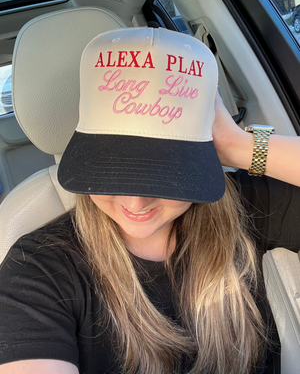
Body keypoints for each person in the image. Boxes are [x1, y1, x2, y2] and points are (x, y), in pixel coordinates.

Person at [0, 27, 299, 374]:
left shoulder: (244, 209)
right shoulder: (38, 269)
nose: (136, 202)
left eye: (165, 175)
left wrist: (235, 144)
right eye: (110, 171)